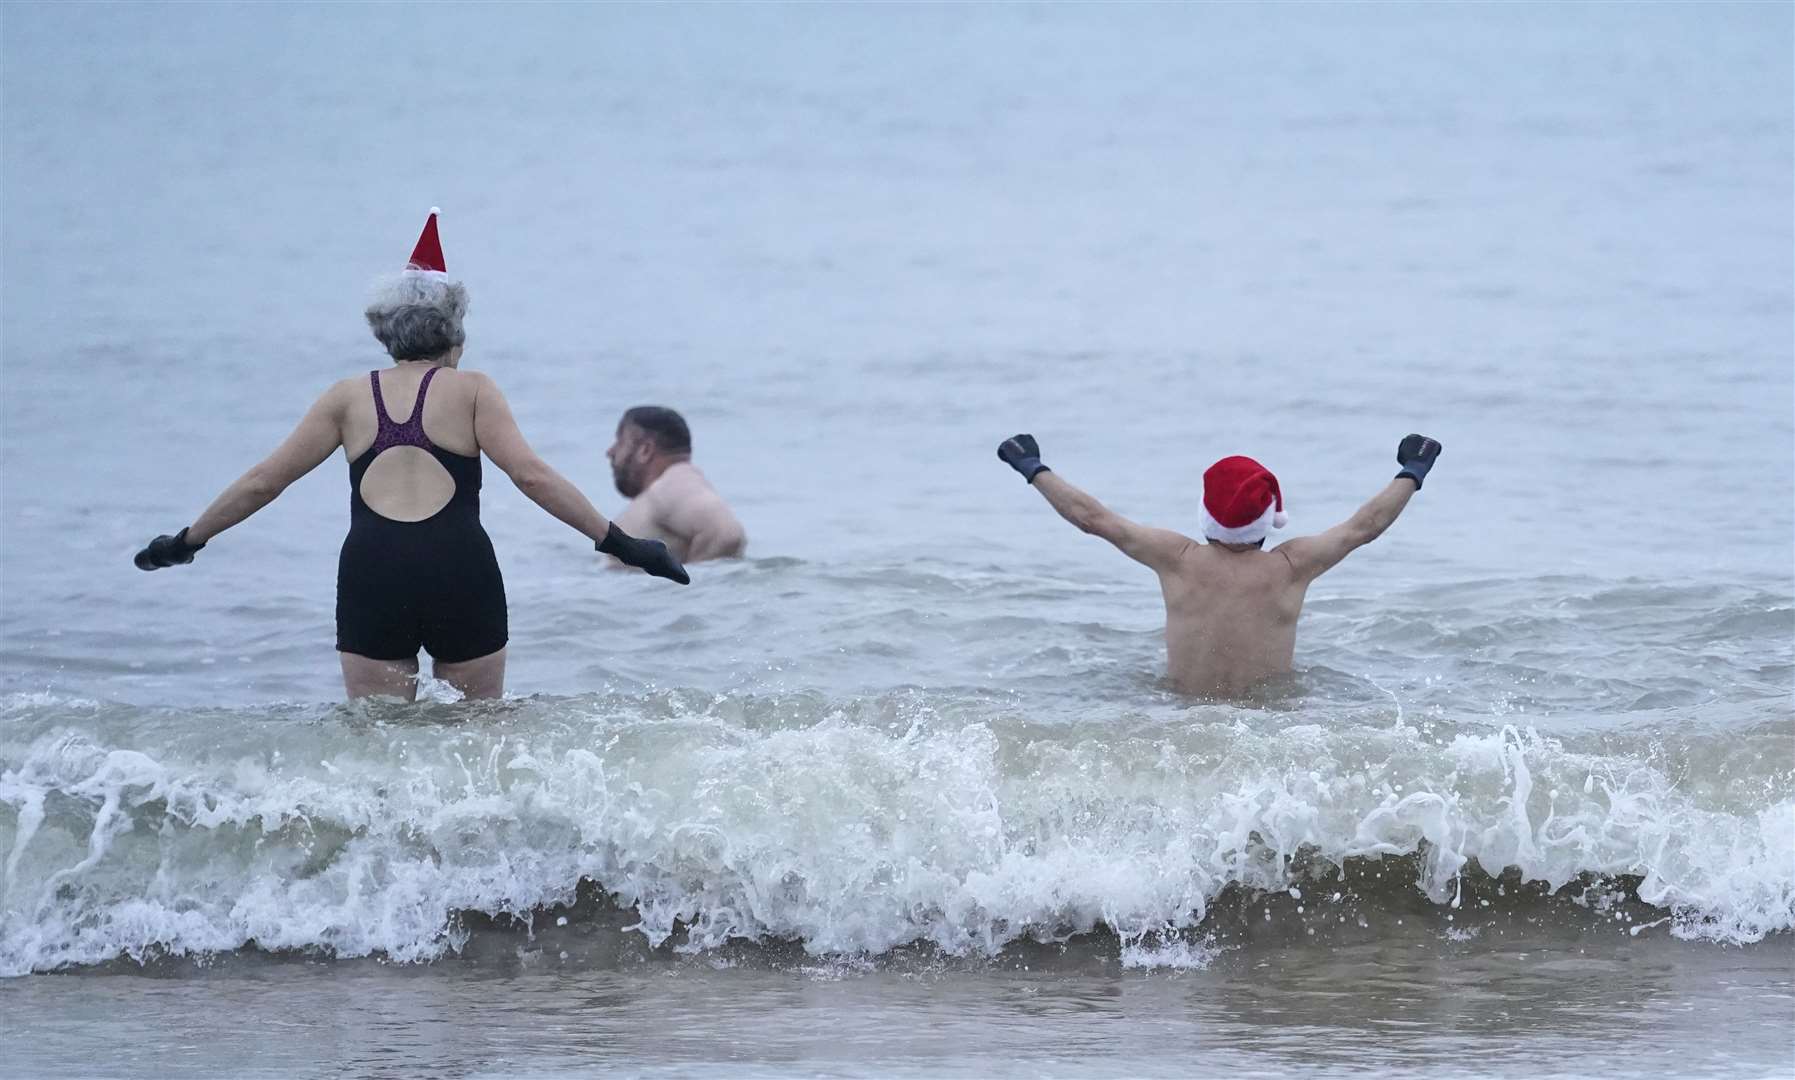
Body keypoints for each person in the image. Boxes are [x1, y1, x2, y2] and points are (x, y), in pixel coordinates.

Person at [134, 209, 688, 701]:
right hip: (458, 568)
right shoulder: (473, 390)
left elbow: (264, 482)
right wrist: (625, 545)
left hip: (373, 572)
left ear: (385, 334)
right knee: (477, 742)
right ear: (456, 333)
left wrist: (187, 541)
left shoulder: (346, 397)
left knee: (377, 746)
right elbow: (532, 476)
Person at [996, 432, 1442, 698]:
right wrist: (1413, 470)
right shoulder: (1291, 565)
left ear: (1205, 513)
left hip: (1181, 725)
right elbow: (1364, 527)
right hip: (1267, 732)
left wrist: (1033, 467)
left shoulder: (1178, 559)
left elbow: (1093, 519)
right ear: (1270, 518)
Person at [605, 406, 747, 563]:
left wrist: (690, 586)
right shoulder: (665, 489)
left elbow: (726, 534)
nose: (610, 452)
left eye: (620, 441)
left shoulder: (675, 482)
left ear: (645, 450)